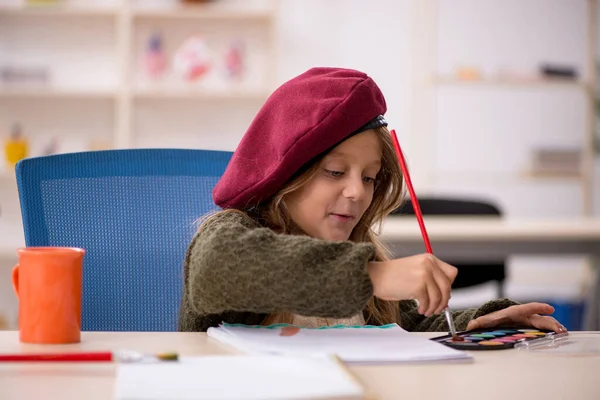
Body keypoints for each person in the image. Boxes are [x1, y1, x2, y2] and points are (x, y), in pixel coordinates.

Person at [178, 67, 566, 334]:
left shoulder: (357, 249)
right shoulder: (234, 233)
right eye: (335, 172)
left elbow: (408, 328)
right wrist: (373, 277)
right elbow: (217, 266)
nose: (358, 192)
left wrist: (477, 323)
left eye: (369, 177)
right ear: (285, 175)